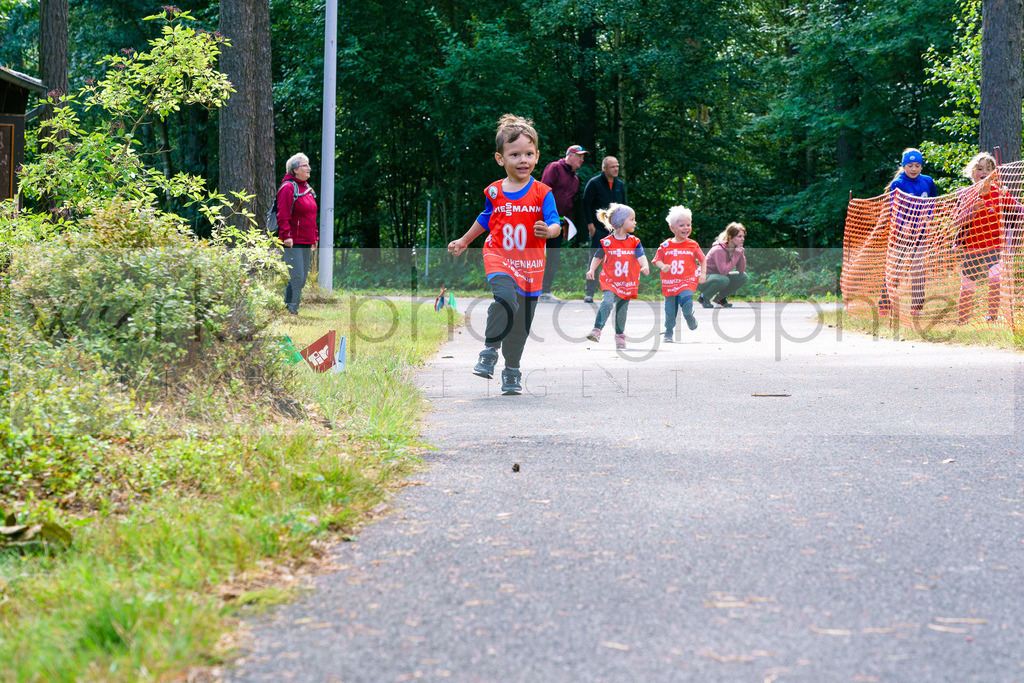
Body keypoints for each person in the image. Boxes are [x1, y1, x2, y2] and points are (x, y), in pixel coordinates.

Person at [447, 114, 561, 395]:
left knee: (521, 326)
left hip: (532, 265)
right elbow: (486, 218)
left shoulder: (542, 192)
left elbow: (556, 223)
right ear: (500, 159)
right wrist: (464, 240)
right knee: (505, 298)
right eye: (515, 154)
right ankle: (489, 350)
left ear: (536, 156)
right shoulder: (495, 191)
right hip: (498, 256)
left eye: (529, 153)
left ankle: (512, 371)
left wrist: (550, 231)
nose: (523, 160)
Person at [953, 152, 1013, 324]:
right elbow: (957, 222)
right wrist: (972, 210)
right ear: (972, 173)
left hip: (995, 247)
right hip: (972, 248)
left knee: (996, 278)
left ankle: (991, 317)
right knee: (968, 287)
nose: (984, 172)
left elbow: (1017, 209)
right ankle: (962, 321)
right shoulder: (966, 195)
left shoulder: (1000, 193)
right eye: (979, 169)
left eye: (988, 169)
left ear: (995, 173)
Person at [879, 148, 938, 316]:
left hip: (920, 233)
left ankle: (917, 307)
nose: (914, 169)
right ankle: (884, 304)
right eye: (910, 165)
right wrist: (902, 224)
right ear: (904, 166)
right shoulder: (898, 183)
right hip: (901, 234)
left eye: (917, 165)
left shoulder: (928, 181)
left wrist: (929, 218)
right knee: (895, 271)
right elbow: (894, 207)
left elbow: (933, 202)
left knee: (918, 270)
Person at [585, 203, 650, 349]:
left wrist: (644, 265)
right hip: (610, 280)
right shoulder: (607, 242)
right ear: (621, 222)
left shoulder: (634, 242)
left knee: (622, 311)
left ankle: (620, 335)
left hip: (627, 283)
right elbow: (598, 256)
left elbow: (641, 255)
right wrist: (591, 269)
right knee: (607, 302)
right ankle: (596, 330)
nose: (635, 222)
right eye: (632, 219)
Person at [538, 144, 588, 302]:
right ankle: (528, 288)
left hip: (559, 223)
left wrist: (566, 225)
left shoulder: (575, 179)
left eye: (583, 156)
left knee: (554, 256)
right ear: (570, 155)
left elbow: (569, 204)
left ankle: (544, 292)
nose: (582, 159)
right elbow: (542, 192)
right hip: (542, 220)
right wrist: (542, 218)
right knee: (536, 255)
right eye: (579, 155)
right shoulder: (554, 168)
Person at [653, 206, 706, 342]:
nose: (686, 228)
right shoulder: (665, 245)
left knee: (687, 301)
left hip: (687, 280)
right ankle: (669, 332)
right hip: (670, 283)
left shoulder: (693, 244)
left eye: (688, 225)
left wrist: (702, 273)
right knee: (670, 311)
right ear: (672, 228)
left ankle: (689, 316)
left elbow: (702, 259)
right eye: (682, 225)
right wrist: (663, 266)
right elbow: (657, 259)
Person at [582, 156, 627, 302]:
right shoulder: (594, 183)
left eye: (617, 166)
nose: (616, 169)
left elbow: (625, 206)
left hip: (616, 230)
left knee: (616, 261)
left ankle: (614, 291)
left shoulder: (620, 184)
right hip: (599, 229)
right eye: (612, 166)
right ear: (604, 168)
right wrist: (590, 225)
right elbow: (586, 204)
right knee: (595, 259)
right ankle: (589, 292)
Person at [278, 153, 318, 315]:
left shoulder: (307, 189)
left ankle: (287, 305)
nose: (309, 168)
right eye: (305, 165)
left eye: (308, 165)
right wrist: (286, 235)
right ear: (295, 169)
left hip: (306, 240)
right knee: (298, 277)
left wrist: (315, 237)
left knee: (301, 278)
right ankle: (292, 310)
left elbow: (312, 215)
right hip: (292, 241)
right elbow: (283, 214)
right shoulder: (288, 188)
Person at [697, 222, 747, 308]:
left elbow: (741, 270)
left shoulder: (736, 250)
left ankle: (720, 298)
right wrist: (736, 255)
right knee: (724, 279)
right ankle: (703, 297)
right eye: (739, 236)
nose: (742, 239)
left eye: (743, 236)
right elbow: (723, 271)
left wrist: (741, 254)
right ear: (730, 237)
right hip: (702, 279)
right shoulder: (719, 250)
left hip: (718, 277)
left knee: (743, 276)